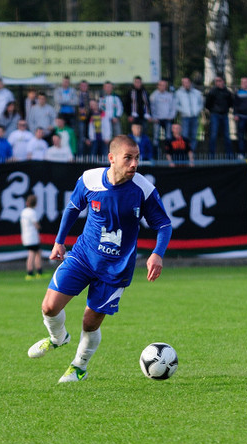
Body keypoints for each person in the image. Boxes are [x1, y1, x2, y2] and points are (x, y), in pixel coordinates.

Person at [27, 135, 172, 382]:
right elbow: (73, 208)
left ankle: (79, 367)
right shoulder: (90, 180)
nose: (134, 164)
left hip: (116, 268)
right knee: (49, 307)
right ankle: (58, 338)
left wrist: (157, 254)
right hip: (83, 256)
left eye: (137, 158)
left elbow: (164, 225)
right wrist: (59, 241)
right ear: (112, 158)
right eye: (128, 158)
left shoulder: (143, 189)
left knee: (90, 321)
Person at [204, 76, 234, 157]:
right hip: (215, 114)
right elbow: (207, 104)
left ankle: (229, 154)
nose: (218, 82)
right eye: (216, 81)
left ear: (223, 81)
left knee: (227, 135)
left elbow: (231, 102)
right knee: (213, 134)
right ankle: (211, 154)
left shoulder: (227, 92)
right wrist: (212, 110)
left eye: (219, 81)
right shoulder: (212, 92)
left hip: (224, 114)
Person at [174, 77, 203, 153]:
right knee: (185, 135)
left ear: (190, 83)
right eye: (184, 83)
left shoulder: (197, 93)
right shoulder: (178, 93)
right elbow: (176, 105)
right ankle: (184, 152)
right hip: (185, 117)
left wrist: (197, 111)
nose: (186, 84)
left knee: (194, 135)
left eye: (187, 82)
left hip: (195, 116)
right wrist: (184, 111)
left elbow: (201, 103)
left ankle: (191, 152)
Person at [20, 194, 42, 280]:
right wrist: (40, 227)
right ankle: (31, 272)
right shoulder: (32, 212)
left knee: (36, 253)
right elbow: (35, 224)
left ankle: (37, 271)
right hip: (32, 237)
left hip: (25, 236)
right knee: (32, 254)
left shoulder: (24, 212)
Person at [149, 80, 176, 150]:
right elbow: (151, 107)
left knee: (168, 136)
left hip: (167, 119)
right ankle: (156, 154)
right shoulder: (153, 95)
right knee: (156, 136)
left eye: (164, 85)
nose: (162, 87)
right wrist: (154, 117)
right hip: (157, 119)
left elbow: (173, 107)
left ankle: (169, 152)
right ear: (158, 86)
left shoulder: (169, 95)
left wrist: (171, 116)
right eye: (161, 85)